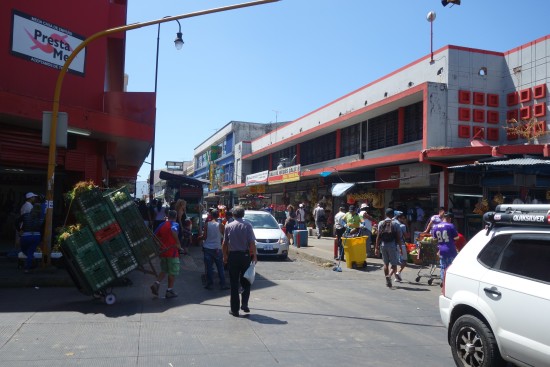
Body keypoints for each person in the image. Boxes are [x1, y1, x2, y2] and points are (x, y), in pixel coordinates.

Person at [222, 206, 257, 317]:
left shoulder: (228, 226)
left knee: (233, 283)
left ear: (233, 214)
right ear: (243, 214)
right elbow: (252, 243)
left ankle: (234, 309)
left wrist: (225, 256)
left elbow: (224, 244)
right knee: (246, 279)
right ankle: (245, 304)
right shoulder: (247, 226)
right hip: (245, 256)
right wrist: (254, 256)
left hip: (233, 256)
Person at [151, 210, 181, 298]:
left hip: (163, 252)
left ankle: (156, 283)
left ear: (168, 216)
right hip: (172, 252)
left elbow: (154, 236)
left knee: (164, 270)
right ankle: (169, 290)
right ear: (175, 217)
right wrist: (178, 243)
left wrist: (160, 244)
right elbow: (173, 230)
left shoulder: (162, 225)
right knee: (172, 272)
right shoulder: (175, 224)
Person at [375, 208, 403, 288]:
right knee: (394, 264)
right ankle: (389, 276)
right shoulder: (396, 224)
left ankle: (387, 279)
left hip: (383, 245)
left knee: (385, 264)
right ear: (393, 215)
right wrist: (400, 247)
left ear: (385, 214)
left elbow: (378, 236)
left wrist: (376, 248)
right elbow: (398, 237)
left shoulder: (381, 223)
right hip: (392, 245)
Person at [202, 210, 229, 290]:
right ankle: (223, 284)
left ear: (211, 215)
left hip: (208, 248)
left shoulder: (207, 224)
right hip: (217, 248)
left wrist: (199, 238)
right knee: (220, 267)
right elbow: (225, 237)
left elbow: (205, 237)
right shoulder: (221, 225)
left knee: (209, 267)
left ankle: (209, 284)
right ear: (218, 215)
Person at [431, 212, 459, 284]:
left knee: (443, 267)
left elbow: (434, 239)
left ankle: (443, 282)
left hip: (441, 250)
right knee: (450, 267)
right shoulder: (450, 226)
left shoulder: (436, 227)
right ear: (449, 219)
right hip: (450, 250)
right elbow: (456, 238)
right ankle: (449, 283)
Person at [18, 204, 44, 273]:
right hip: (36, 236)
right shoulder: (41, 218)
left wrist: (20, 230)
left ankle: (31, 260)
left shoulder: (25, 215)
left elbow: (16, 222)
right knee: (30, 251)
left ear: (32, 209)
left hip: (26, 236)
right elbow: (42, 228)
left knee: (24, 250)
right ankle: (27, 268)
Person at [394, 211, 409, 282]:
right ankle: (398, 272)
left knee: (395, 262)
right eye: (403, 218)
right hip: (401, 244)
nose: (404, 219)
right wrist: (406, 225)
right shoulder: (403, 226)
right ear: (399, 218)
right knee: (404, 261)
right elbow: (406, 236)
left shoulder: (393, 224)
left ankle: (394, 276)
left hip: (394, 244)